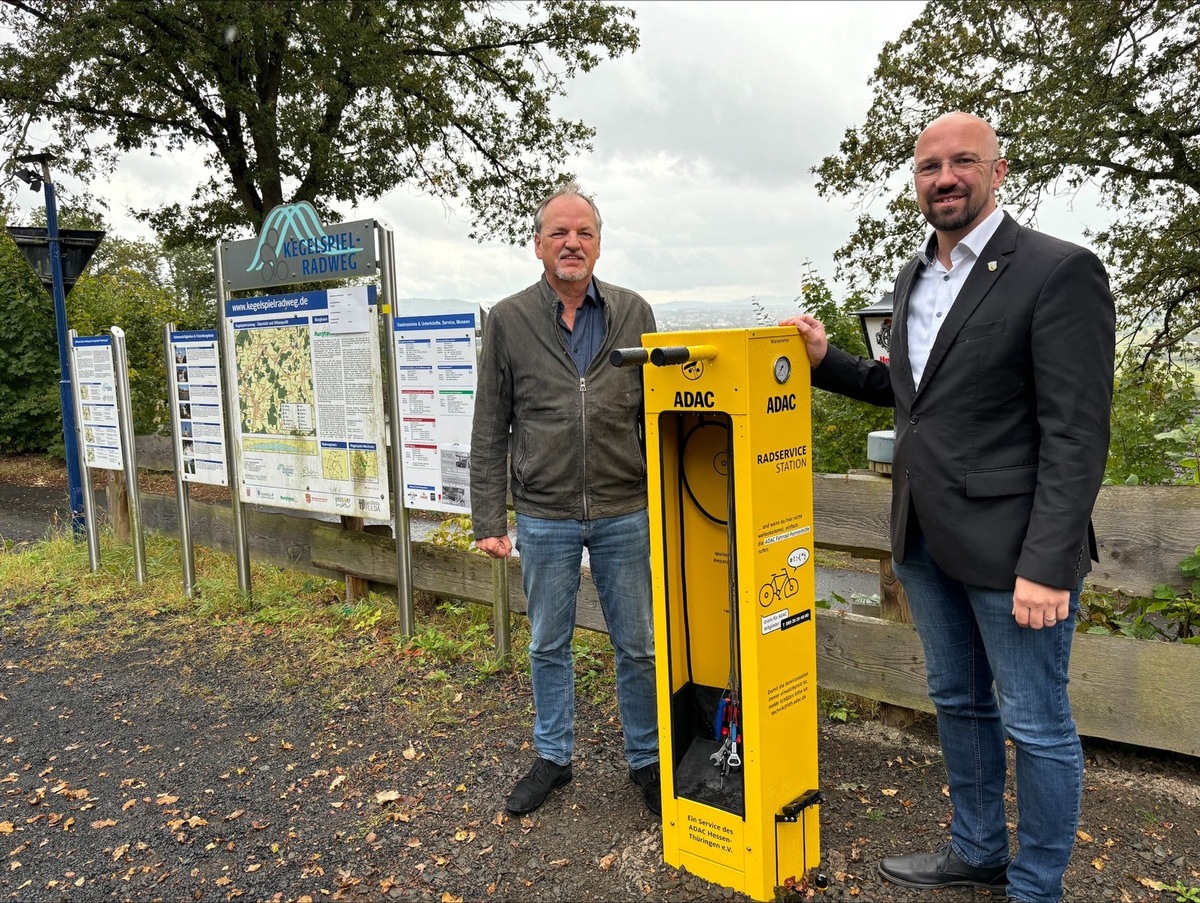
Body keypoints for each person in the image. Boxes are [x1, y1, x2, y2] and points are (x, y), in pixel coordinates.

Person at [783, 112, 1114, 903]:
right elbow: (913, 398)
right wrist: (828, 360)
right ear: (916, 181)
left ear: (998, 171)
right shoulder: (914, 278)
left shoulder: (1057, 270)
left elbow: (1077, 434)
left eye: (963, 161)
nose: (945, 177)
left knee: (1035, 724)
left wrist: (1045, 563)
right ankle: (977, 849)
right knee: (958, 702)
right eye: (930, 166)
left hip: (1015, 551)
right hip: (925, 537)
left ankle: (1036, 886)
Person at [470, 182, 661, 817]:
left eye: (583, 233)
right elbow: (491, 420)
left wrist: (664, 499)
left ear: (599, 245)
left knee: (636, 643)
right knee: (547, 643)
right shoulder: (509, 318)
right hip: (544, 513)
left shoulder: (635, 312)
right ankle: (553, 756)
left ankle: (648, 760)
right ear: (538, 245)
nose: (571, 243)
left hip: (624, 507)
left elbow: (655, 414)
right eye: (559, 232)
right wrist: (487, 515)